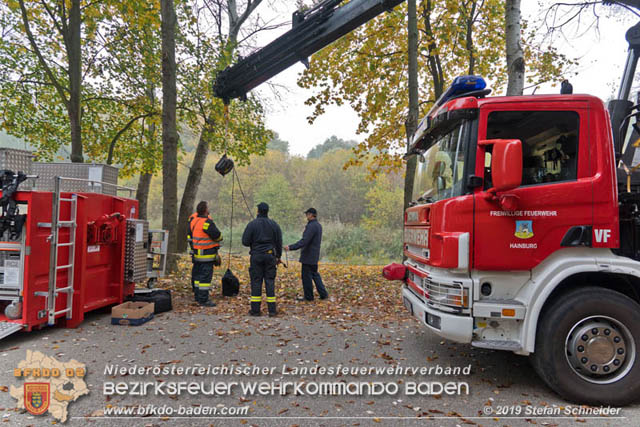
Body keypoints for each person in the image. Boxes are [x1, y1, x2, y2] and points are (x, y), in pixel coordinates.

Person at [242, 202, 283, 317]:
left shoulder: (252, 225)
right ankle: (272, 311)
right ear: (267, 211)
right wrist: (278, 256)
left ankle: (255, 310)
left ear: (258, 211)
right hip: (270, 256)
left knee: (256, 281)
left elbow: (245, 242)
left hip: (256, 256)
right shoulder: (274, 225)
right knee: (270, 281)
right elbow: (279, 242)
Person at [285, 208, 328, 302]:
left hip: (308, 256)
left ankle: (309, 297)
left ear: (312, 215)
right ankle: (323, 294)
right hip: (314, 255)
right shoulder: (318, 225)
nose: (306, 216)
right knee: (315, 274)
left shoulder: (311, 226)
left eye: (307, 214)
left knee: (306, 277)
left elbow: (304, 241)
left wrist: (291, 247)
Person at [187, 201, 223, 307]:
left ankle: (198, 296)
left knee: (198, 277)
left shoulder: (194, 221)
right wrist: (219, 239)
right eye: (208, 207)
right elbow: (217, 235)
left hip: (197, 254)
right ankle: (203, 299)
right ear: (205, 210)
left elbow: (190, 235)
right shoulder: (207, 223)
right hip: (206, 255)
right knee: (205, 279)